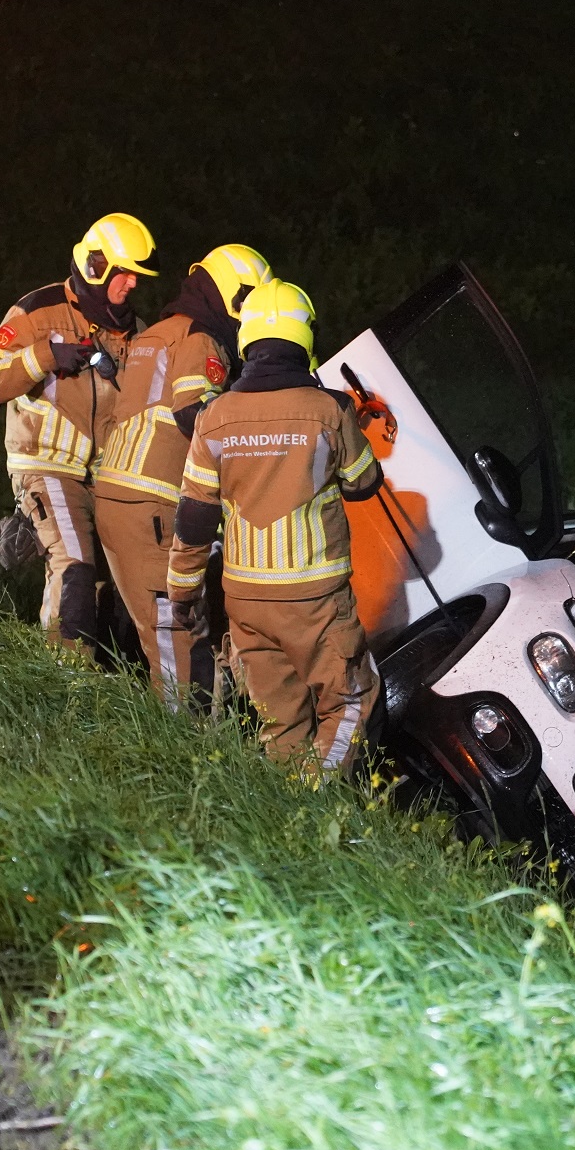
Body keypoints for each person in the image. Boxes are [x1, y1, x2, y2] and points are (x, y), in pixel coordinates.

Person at [165, 280, 383, 778]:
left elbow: (194, 517)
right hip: (314, 599)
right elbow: (364, 482)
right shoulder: (329, 411)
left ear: (247, 339)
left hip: (246, 604)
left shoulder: (214, 417)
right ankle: (318, 801)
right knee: (352, 701)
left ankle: (285, 809)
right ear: (305, 337)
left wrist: (182, 591)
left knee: (281, 725)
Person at [96, 244, 271, 702]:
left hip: (120, 498)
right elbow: (196, 412)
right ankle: (181, 737)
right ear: (236, 296)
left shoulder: (156, 333)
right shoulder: (201, 337)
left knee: (161, 635)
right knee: (179, 639)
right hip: (154, 504)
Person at [0, 213, 156, 648]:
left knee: (114, 587)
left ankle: (104, 676)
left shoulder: (137, 332)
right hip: (47, 465)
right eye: (124, 272)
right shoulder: (38, 310)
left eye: (137, 274)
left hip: (109, 476)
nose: (132, 283)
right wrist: (45, 356)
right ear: (96, 265)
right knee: (74, 568)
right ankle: (61, 676)